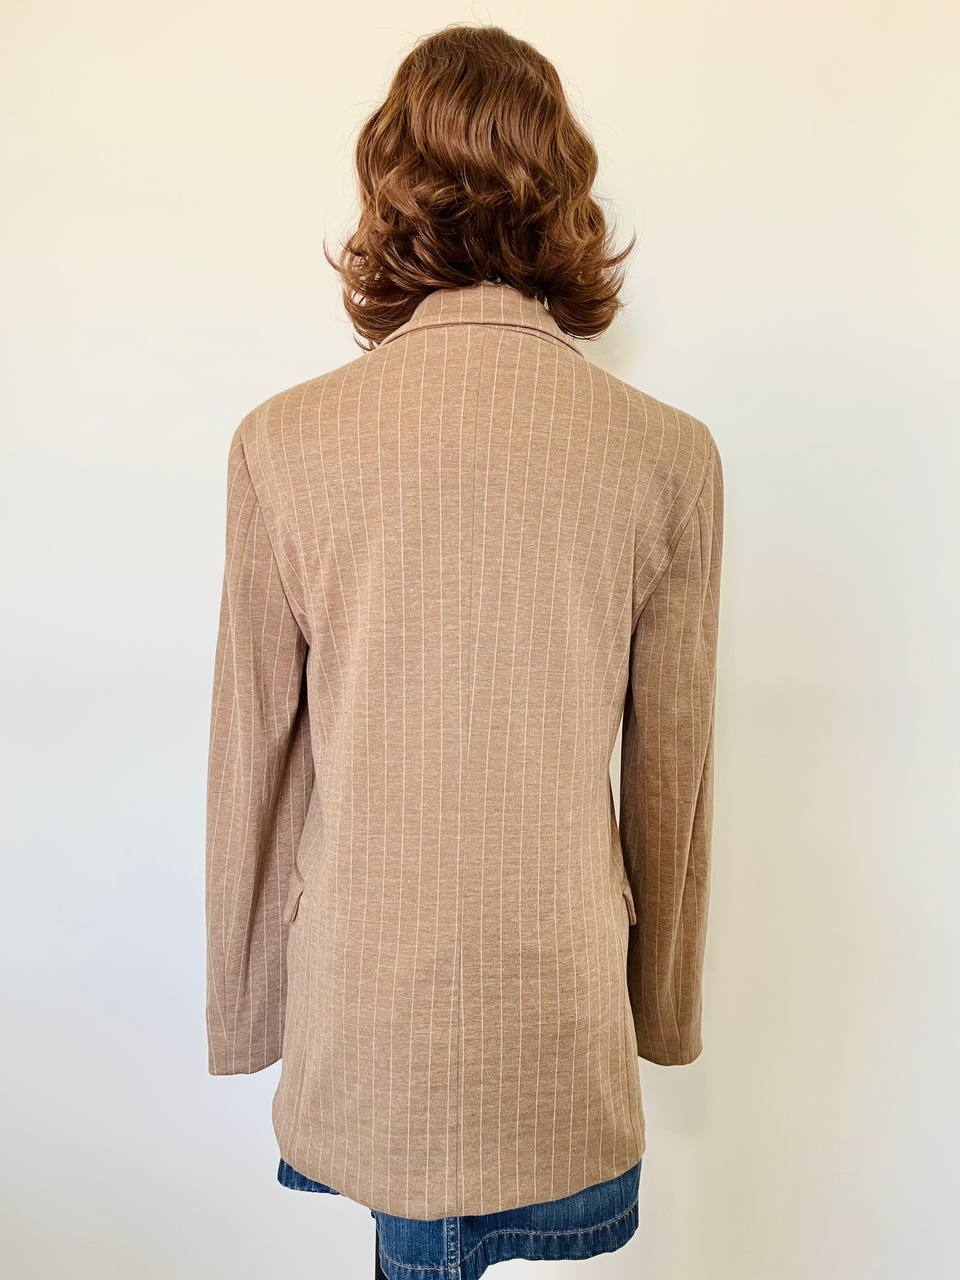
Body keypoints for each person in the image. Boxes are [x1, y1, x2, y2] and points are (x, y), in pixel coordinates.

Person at [204, 22, 724, 1280]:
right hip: (559, 1015)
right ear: (566, 191)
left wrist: (248, 1006)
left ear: (387, 186)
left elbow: (247, 763)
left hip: (365, 1019)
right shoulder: (667, 454)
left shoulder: (284, 441)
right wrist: (660, 1007)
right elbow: (675, 782)